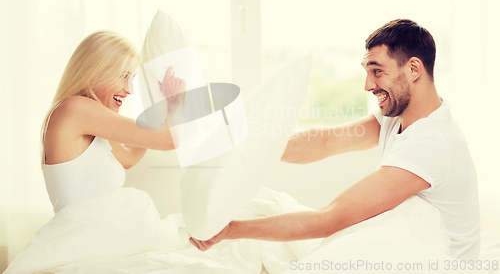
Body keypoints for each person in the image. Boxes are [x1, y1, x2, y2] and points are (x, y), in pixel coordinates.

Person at [189, 19, 481, 260]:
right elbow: (327, 142)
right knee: (265, 206)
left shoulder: (432, 143)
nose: (368, 85)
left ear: (414, 69)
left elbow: (332, 218)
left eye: (377, 71)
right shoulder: (398, 117)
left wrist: (228, 230)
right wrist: (251, 148)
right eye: (367, 72)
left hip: (438, 263)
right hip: (408, 244)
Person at [41, 30, 186, 213]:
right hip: (86, 232)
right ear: (94, 71)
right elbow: (170, 139)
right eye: (123, 76)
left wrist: (155, 110)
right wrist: (177, 99)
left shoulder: (87, 118)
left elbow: (129, 157)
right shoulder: (77, 109)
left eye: (132, 78)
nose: (130, 90)